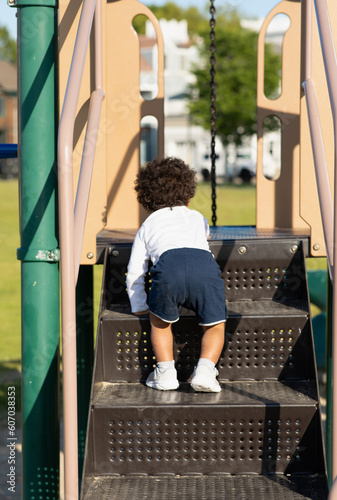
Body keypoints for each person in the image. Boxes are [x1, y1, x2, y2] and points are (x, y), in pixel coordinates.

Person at [126, 157, 226, 392]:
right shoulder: (198, 218)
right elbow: (204, 239)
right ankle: (205, 370)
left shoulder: (148, 224)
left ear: (146, 199)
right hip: (205, 270)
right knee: (215, 326)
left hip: (168, 270)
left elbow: (135, 271)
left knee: (160, 324)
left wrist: (139, 304)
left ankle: (166, 372)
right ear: (188, 195)